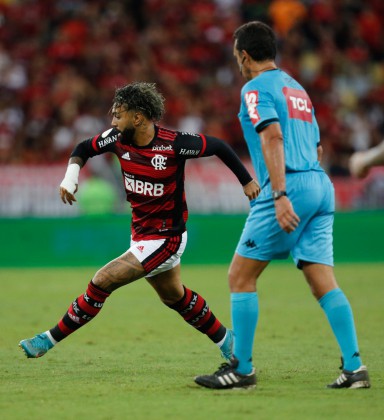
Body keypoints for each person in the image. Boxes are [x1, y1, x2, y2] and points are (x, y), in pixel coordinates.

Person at [19, 82, 260, 366]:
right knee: (174, 297)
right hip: (141, 235)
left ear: (138, 117)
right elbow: (83, 147)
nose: (112, 121)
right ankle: (228, 341)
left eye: (118, 115)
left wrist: (246, 181)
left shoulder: (174, 144)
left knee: (101, 281)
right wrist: (70, 176)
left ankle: (46, 340)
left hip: (167, 238)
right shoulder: (117, 139)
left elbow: (218, 145)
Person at [194, 21, 370, 390]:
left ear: (244, 55)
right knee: (322, 280)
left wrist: (279, 194)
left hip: (288, 182)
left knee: (240, 276)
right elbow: (318, 146)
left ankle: (241, 370)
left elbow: (272, 136)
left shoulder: (254, 88)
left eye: (236, 57)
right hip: (321, 183)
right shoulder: (298, 89)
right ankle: (355, 368)